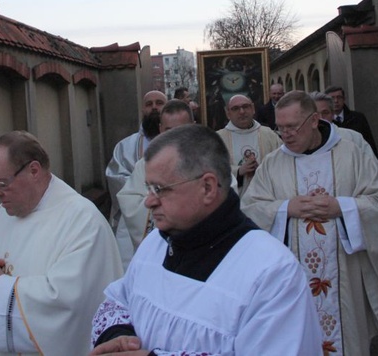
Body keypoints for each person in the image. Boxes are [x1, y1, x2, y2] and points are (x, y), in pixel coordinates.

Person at [90, 124, 323, 355]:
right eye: (148, 189)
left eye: (159, 189)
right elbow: (118, 300)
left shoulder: (271, 272)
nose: (148, 202)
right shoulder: (155, 243)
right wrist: (118, 338)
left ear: (208, 187)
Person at [241, 91, 378, 356]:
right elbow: (249, 209)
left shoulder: (352, 154)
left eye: (292, 127)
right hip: (293, 281)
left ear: (314, 120)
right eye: (280, 128)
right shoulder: (272, 164)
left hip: (345, 275)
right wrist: (286, 208)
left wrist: (342, 207)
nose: (286, 135)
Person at [0, 131, 122, 355]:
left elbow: (70, 304)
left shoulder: (82, 221)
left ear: (34, 170)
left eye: (1, 183)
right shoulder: (1, 216)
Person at [116, 99, 195, 257]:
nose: (175, 137)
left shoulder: (209, 159)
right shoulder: (145, 165)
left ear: (193, 126)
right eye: (169, 130)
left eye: (182, 130)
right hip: (159, 251)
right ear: (160, 129)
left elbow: (225, 195)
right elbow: (129, 200)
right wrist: (168, 205)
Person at [106, 90, 167, 266]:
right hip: (136, 216)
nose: (154, 107)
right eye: (149, 104)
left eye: (159, 103)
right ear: (142, 109)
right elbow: (115, 177)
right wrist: (149, 189)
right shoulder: (125, 146)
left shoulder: (181, 143)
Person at [217, 94, 282, 196]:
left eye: (245, 107)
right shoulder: (218, 139)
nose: (242, 112)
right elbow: (213, 171)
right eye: (235, 109)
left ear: (253, 109)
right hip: (236, 201)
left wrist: (262, 169)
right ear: (228, 113)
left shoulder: (269, 135)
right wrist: (238, 171)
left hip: (267, 198)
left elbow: (282, 163)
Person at [310, 91, 377, 161]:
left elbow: (372, 165)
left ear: (333, 115)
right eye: (316, 114)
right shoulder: (302, 143)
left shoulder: (354, 138)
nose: (321, 117)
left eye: (325, 113)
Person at [324, 85, 378, 156]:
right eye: (332, 98)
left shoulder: (358, 118)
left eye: (339, 97)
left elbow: (369, 143)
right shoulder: (325, 122)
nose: (336, 101)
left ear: (344, 99)